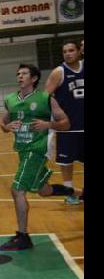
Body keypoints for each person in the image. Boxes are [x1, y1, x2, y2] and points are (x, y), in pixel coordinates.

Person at [0, 64, 83, 251]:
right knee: (43, 190)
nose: (20, 76)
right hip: (22, 150)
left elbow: (66, 123)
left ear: (34, 78)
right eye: (18, 73)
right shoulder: (10, 99)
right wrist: (7, 127)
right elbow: (2, 123)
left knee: (17, 190)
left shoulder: (46, 99)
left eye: (24, 73)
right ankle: (77, 193)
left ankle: (23, 236)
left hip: (37, 150)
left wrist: (48, 124)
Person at [44, 40, 84, 204]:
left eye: (71, 50)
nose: (68, 54)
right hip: (68, 127)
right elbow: (45, 96)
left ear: (79, 51)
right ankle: (70, 193)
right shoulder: (58, 72)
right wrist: (55, 118)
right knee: (66, 162)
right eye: (65, 51)